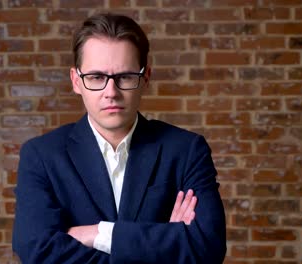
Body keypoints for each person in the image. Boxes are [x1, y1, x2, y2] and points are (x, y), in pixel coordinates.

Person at [12, 13, 226, 263]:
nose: (110, 92)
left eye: (124, 77)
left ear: (145, 79)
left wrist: (99, 234)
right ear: (75, 81)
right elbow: (37, 251)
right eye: (96, 77)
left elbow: (207, 248)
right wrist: (164, 241)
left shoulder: (187, 150)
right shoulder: (41, 156)